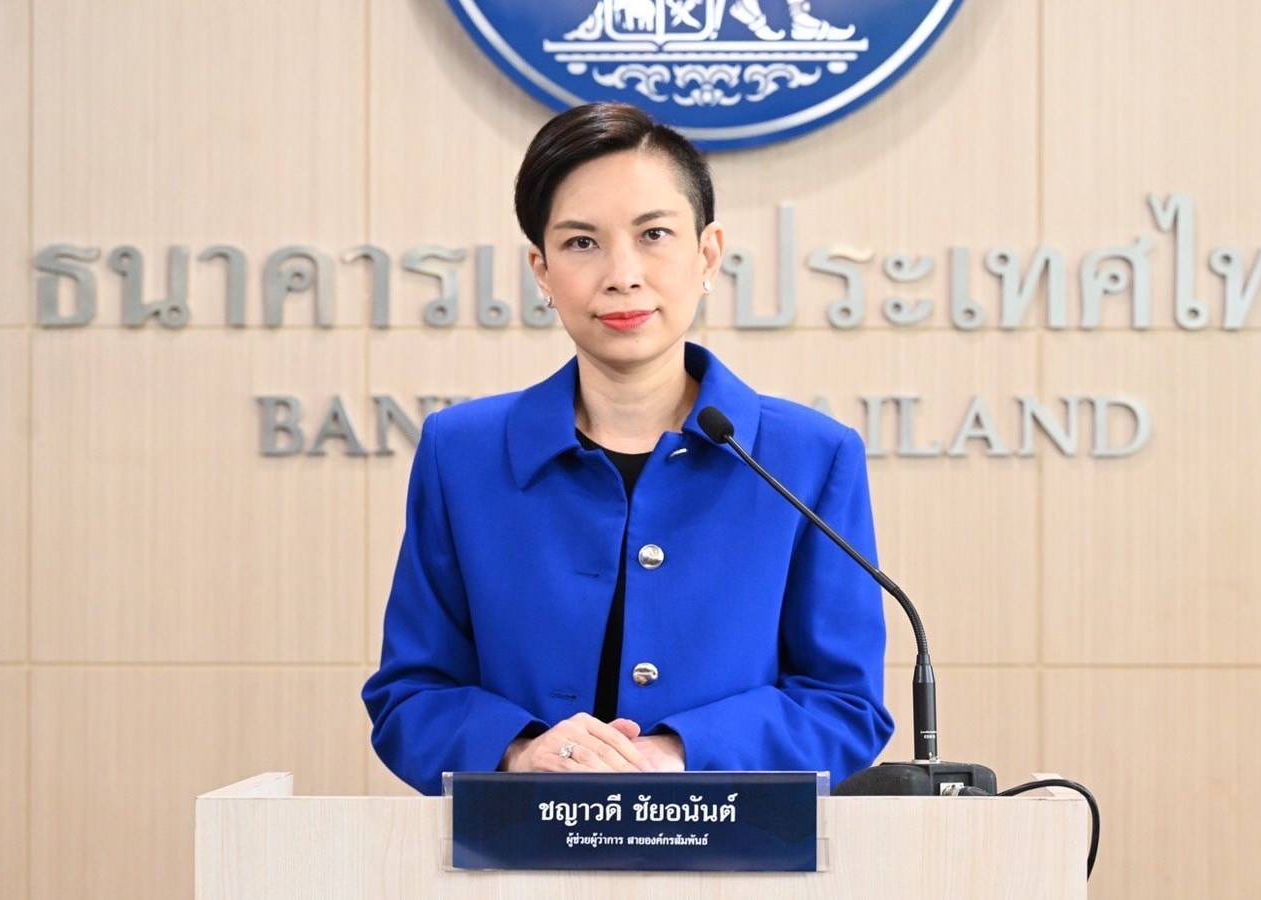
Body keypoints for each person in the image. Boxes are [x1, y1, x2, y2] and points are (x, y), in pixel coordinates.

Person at [362, 102, 892, 796]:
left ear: (707, 255)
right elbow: (410, 696)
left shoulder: (809, 457)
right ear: (542, 271)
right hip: (518, 849)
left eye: (654, 235)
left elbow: (845, 706)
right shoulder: (460, 454)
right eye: (582, 243)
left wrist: (678, 753)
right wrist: (518, 753)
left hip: (731, 850)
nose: (622, 274)